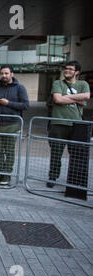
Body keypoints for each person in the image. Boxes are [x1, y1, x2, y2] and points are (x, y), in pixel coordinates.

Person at [47, 60, 90, 188]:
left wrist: (67, 97)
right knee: (56, 154)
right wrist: (78, 99)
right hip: (58, 122)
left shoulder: (83, 84)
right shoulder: (58, 83)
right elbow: (57, 99)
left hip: (77, 124)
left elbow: (87, 96)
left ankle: (74, 180)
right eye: (66, 68)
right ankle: (53, 177)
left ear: (77, 72)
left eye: (70, 69)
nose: (67, 71)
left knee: (77, 154)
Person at [0, 65, 29, 186]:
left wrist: (8, 103)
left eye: (6, 73)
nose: (3, 76)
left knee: (9, 151)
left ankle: (7, 174)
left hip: (11, 124)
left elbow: (25, 105)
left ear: (12, 74)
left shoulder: (20, 88)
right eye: (2, 73)